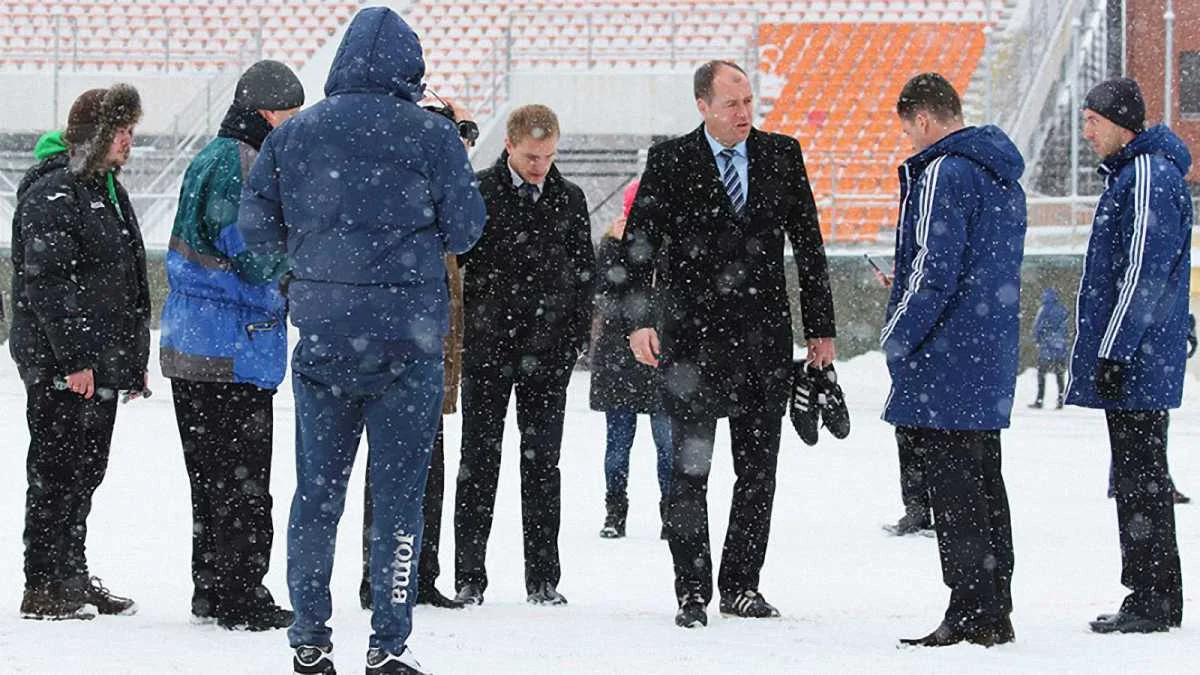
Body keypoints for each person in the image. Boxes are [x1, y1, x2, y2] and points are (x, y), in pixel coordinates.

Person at [237, 7, 486, 674]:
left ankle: (310, 637)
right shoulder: (431, 138)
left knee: (316, 494)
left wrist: (307, 259)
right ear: (412, 67)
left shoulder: (297, 134)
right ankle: (387, 640)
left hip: (324, 338)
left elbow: (255, 224)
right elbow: (466, 230)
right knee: (399, 497)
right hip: (408, 344)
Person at [622, 60, 837, 628]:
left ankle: (741, 584)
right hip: (690, 346)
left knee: (758, 470)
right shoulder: (670, 161)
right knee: (690, 473)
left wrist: (821, 329)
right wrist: (638, 319)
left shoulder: (782, 155)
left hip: (764, 343)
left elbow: (809, 246)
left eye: (748, 101)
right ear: (703, 106)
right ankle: (691, 589)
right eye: (731, 104)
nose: (744, 113)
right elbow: (639, 244)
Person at [881, 73, 1025, 648]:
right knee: (986, 481)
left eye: (908, 130)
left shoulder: (944, 170)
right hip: (985, 352)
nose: (909, 142)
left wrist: (895, 336)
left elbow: (932, 271)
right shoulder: (1001, 174)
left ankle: (969, 609)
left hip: (944, 357)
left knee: (955, 490)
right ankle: (994, 604)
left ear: (922, 119)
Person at [159, 59, 303, 631]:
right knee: (244, 481)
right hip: (232, 349)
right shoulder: (244, 165)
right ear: (268, 113)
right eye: (290, 115)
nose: (293, 127)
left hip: (192, 343)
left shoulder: (207, 156)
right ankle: (242, 596)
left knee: (210, 478)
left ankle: (211, 589)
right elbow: (249, 254)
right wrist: (301, 259)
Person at [9, 84, 148, 621]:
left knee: (86, 470)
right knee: (56, 469)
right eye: (121, 131)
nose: (128, 141)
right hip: (61, 365)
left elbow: (126, 281)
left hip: (98, 361)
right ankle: (42, 584)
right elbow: (47, 285)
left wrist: (128, 363)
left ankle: (70, 572)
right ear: (95, 135)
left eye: (132, 131)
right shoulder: (54, 191)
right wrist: (74, 360)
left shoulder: (103, 187)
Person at [453, 103, 594, 607]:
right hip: (489, 351)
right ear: (509, 145)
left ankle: (543, 578)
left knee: (542, 467)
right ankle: (469, 575)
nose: (541, 166)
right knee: (478, 461)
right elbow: (459, 263)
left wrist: (573, 339)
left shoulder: (569, 199)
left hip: (547, 355)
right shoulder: (478, 192)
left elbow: (584, 274)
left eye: (549, 156)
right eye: (533, 156)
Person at [1065, 77, 1190, 635]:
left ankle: (1152, 598)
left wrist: (1113, 351)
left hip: (1137, 359)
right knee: (1140, 474)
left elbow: (1141, 271)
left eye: (1092, 120)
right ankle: (1152, 591)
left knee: (1141, 478)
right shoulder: (1140, 173)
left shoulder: (1145, 175)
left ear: (1119, 122)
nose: (1086, 131)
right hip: (1140, 355)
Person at [358, 96, 478, 612]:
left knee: (426, 469)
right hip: (403, 354)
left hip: (431, 355)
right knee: (394, 471)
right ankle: (383, 576)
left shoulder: (437, 196)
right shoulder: (404, 197)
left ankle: (418, 574)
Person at [590, 179, 672, 540]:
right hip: (624, 356)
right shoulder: (612, 246)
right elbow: (610, 296)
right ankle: (616, 510)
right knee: (624, 441)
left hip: (652, 354)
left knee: (662, 441)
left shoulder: (665, 244)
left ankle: (667, 512)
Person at [1029, 288, 1069, 409]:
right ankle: (1061, 400)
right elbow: (1065, 329)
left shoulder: (1044, 309)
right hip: (1060, 345)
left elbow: (1038, 326)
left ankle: (1039, 400)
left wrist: (1037, 339)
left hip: (1046, 345)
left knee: (1041, 373)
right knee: (1059, 373)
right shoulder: (1062, 309)